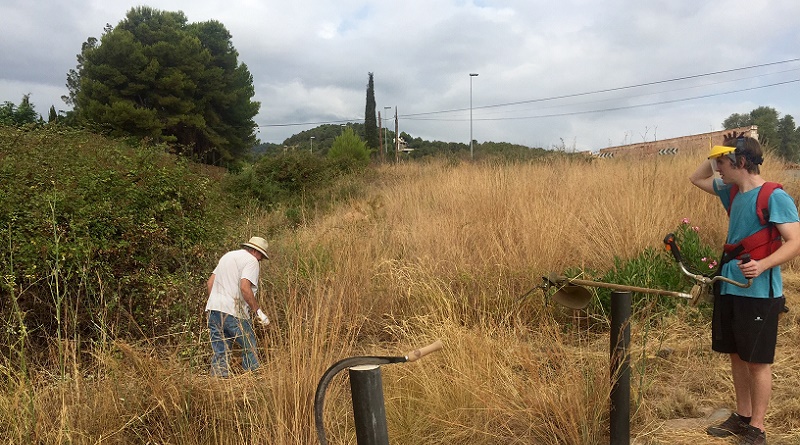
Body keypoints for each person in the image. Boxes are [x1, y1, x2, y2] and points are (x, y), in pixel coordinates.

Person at [689, 132, 800, 445]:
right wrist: (717, 151)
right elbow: (696, 178)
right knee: (737, 356)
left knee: (757, 361)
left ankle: (758, 427)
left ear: (739, 161)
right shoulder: (732, 192)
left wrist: (764, 265)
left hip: (759, 293)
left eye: (722, 162)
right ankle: (742, 416)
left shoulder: (774, 196)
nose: (717, 168)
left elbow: (796, 242)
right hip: (730, 287)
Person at [205, 236, 272, 377]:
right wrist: (258, 312)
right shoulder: (252, 261)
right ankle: (252, 379)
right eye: (261, 256)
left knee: (221, 350)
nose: (260, 260)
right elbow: (245, 288)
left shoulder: (228, 256)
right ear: (256, 252)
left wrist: (217, 301)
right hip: (233, 311)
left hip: (213, 309)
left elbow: (210, 283)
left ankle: (218, 384)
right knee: (249, 344)